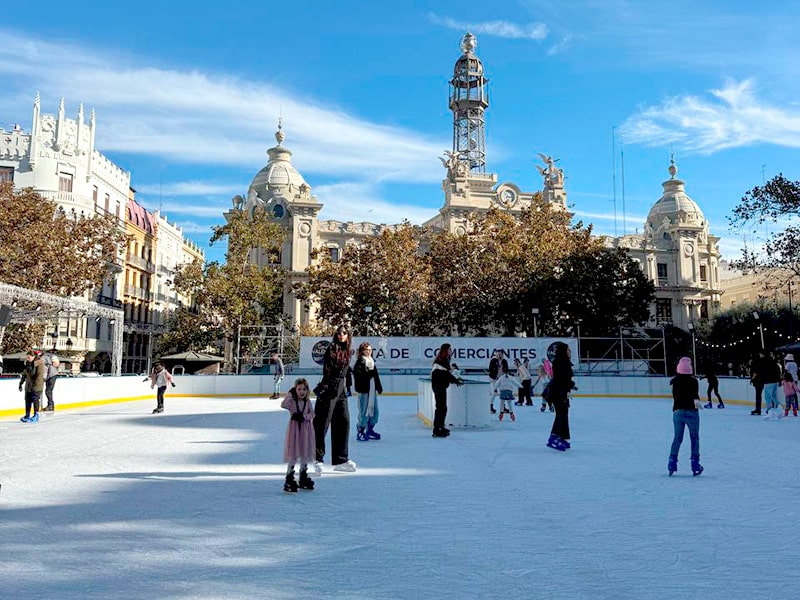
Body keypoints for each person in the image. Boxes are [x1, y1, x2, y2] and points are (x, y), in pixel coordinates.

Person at [313, 325, 356, 474]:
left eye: (344, 333)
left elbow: (346, 372)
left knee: (343, 422)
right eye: (339, 333)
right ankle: (317, 458)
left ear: (348, 335)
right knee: (322, 424)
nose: (341, 335)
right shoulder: (331, 348)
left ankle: (340, 459)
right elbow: (328, 371)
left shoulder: (349, 351)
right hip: (330, 387)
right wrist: (329, 387)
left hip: (341, 391)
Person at [667, 357, 704, 476]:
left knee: (677, 438)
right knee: (694, 438)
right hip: (692, 412)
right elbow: (695, 397)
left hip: (678, 412)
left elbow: (676, 397)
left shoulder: (674, 381)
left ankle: (672, 461)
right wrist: (698, 404)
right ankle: (695, 463)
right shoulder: (694, 381)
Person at [281, 378, 315, 492]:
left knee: (305, 452)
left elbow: (312, 413)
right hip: (295, 431)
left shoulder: (308, 401)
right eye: (299, 389)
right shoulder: (292, 402)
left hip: (306, 431)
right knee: (294, 453)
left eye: (304, 389)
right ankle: (289, 476)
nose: (302, 392)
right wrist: (290, 395)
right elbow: (283, 404)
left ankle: (303, 475)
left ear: (307, 390)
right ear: (295, 390)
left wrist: (305, 417)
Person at [546, 343, 576, 451]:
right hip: (558, 393)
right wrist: (569, 385)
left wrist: (570, 385)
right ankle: (555, 438)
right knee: (561, 415)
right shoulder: (560, 362)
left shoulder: (564, 362)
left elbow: (564, 379)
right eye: (568, 350)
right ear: (563, 351)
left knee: (563, 414)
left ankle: (559, 437)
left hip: (561, 392)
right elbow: (560, 380)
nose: (569, 353)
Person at [353, 341, 383, 442]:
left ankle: (370, 429)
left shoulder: (372, 361)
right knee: (364, 411)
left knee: (374, 410)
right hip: (364, 390)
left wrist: (379, 386)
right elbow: (358, 376)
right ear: (362, 351)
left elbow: (375, 375)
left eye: (370, 350)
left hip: (372, 390)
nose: (369, 351)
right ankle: (361, 430)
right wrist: (367, 375)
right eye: (367, 350)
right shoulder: (360, 362)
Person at [431, 343, 462, 438]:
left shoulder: (444, 360)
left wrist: (454, 379)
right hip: (438, 386)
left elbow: (446, 373)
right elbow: (445, 374)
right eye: (449, 349)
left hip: (441, 386)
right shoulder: (441, 361)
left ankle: (441, 426)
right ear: (445, 350)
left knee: (442, 408)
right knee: (440, 408)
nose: (451, 351)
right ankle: (437, 429)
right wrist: (455, 380)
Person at [18, 350, 45, 423]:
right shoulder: (28, 364)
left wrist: (35, 386)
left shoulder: (39, 363)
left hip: (37, 386)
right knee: (28, 400)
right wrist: (21, 383)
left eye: (29, 357)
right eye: (27, 357)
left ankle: (36, 415)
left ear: (34, 357)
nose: (28, 359)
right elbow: (24, 374)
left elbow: (39, 376)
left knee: (35, 399)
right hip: (29, 385)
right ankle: (27, 415)